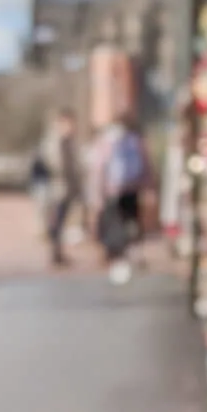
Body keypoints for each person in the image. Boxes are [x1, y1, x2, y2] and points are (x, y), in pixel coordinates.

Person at [90, 115, 152, 285]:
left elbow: (98, 169)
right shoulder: (136, 141)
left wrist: (97, 194)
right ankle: (131, 252)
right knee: (131, 220)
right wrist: (147, 187)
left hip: (113, 190)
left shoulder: (106, 142)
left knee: (116, 223)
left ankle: (119, 256)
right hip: (131, 188)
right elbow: (146, 166)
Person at [42, 109, 82, 268]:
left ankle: (59, 252)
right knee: (56, 221)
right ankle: (56, 253)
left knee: (62, 221)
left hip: (69, 189)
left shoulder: (72, 142)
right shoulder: (54, 142)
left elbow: (77, 166)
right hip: (57, 189)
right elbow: (52, 164)